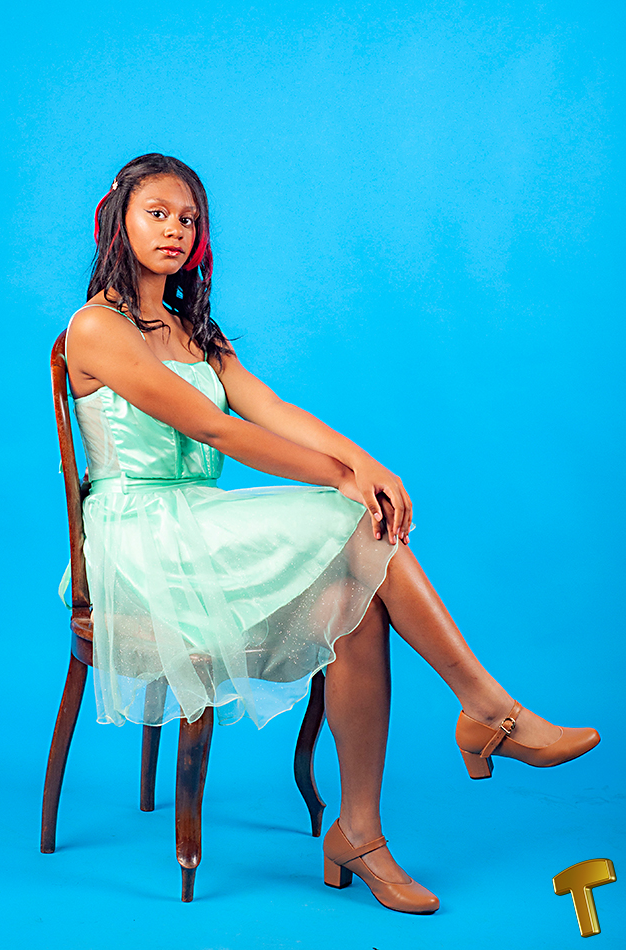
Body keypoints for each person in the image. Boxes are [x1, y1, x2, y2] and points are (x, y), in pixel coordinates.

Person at [64, 153, 600, 915]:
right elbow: (215, 428)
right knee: (351, 520)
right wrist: (342, 482)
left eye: (188, 218)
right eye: (157, 213)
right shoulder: (95, 326)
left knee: (357, 603)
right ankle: (487, 710)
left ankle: (359, 833)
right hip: (140, 534)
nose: (175, 229)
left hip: (201, 524)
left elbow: (271, 410)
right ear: (116, 221)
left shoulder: (193, 331)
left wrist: (366, 463)